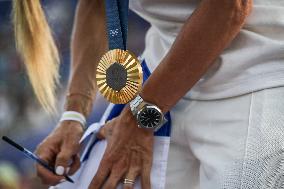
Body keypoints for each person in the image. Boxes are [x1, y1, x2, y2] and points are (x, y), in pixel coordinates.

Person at [13, 0, 284, 188]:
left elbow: (229, 8)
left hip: (255, 79)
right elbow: (98, 5)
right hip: (165, 71)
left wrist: (139, 120)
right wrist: (73, 115)